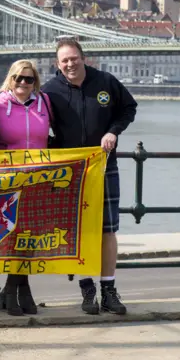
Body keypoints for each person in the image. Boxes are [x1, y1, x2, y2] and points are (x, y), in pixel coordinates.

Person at [41, 38, 137, 316]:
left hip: (104, 165)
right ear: (57, 65)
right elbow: (35, 123)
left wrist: (113, 131)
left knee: (108, 230)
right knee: (75, 231)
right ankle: (87, 290)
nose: (70, 64)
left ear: (84, 58)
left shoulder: (106, 81)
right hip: (70, 171)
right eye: (64, 61)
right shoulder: (49, 91)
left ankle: (109, 291)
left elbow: (129, 108)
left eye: (74, 58)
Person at [0, 59, 51, 316]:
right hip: (7, 180)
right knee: (10, 236)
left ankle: (16, 287)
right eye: (18, 78)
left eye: (29, 79)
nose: (23, 83)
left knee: (29, 236)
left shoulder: (45, 104)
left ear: (35, 81)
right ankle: (15, 290)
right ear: (10, 79)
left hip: (37, 180)